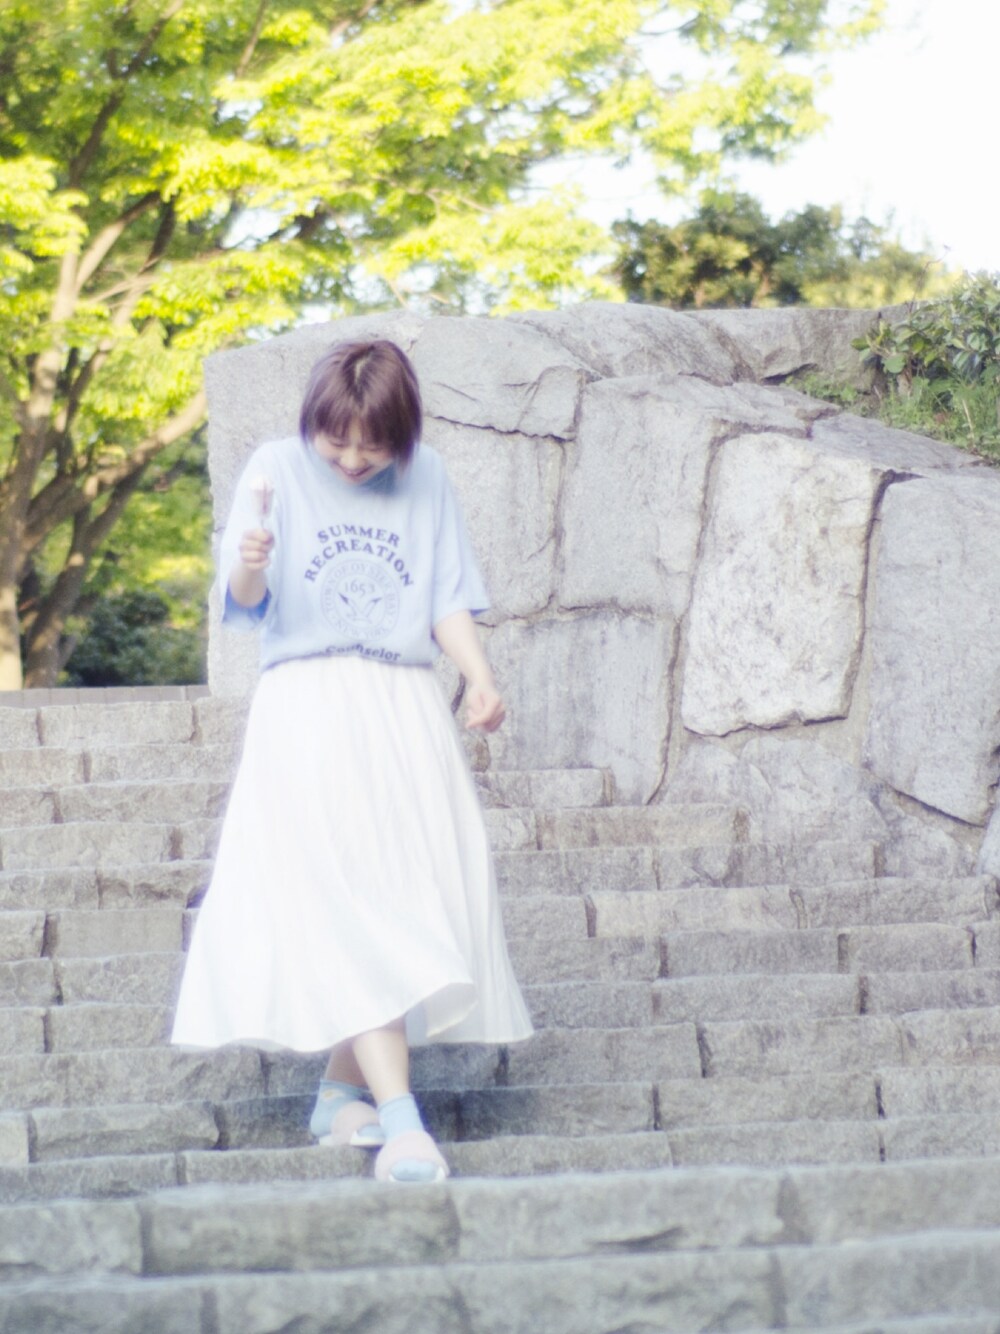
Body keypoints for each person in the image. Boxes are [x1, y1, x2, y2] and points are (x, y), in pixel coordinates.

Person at [171, 339, 534, 1183]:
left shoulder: (427, 476)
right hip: (309, 705)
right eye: (337, 442)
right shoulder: (274, 468)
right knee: (356, 898)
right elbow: (246, 603)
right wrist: (249, 563)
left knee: (408, 896)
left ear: (403, 434)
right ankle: (403, 1122)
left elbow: (444, 596)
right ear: (315, 422)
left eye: (374, 445)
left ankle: (340, 1098)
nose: (354, 460)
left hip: (404, 706)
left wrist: (479, 676)